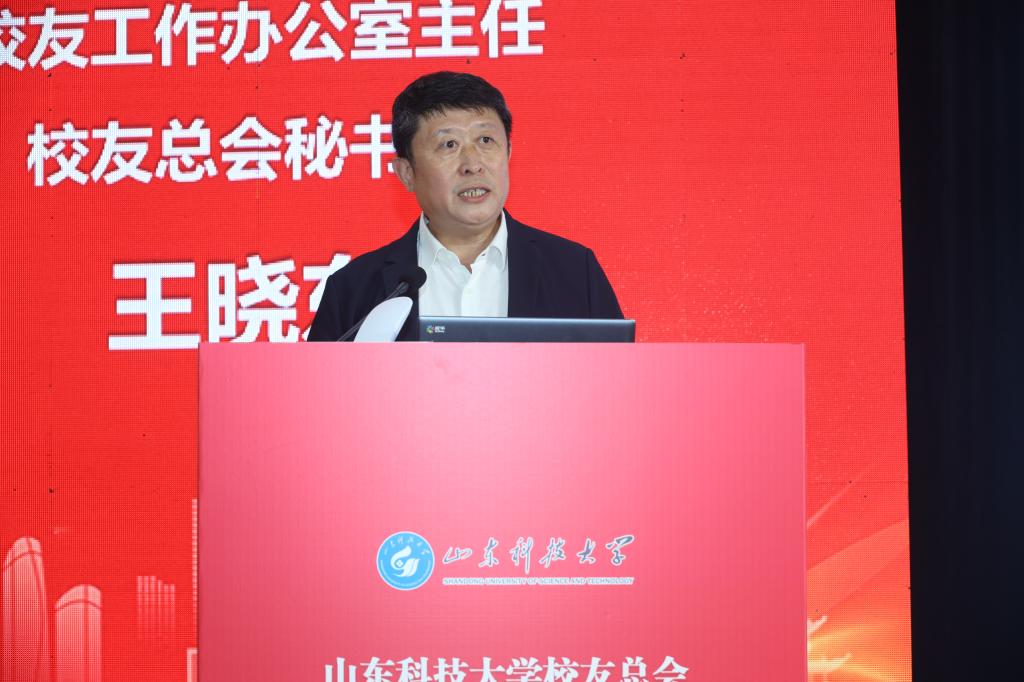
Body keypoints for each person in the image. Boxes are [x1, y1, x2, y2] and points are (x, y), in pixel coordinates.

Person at [307, 71, 623, 342]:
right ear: (407, 173)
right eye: (449, 145)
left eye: (486, 140)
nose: (472, 164)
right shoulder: (353, 291)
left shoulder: (573, 272)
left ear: (508, 153)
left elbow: (615, 385)